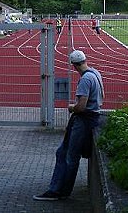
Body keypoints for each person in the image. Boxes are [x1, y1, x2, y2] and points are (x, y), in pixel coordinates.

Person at [33, 49, 104, 201]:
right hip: (91, 118)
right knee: (64, 153)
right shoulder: (95, 73)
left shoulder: (85, 80)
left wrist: (71, 107)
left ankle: (59, 191)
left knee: (69, 156)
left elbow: (81, 106)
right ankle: (59, 189)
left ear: (74, 65)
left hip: (83, 120)